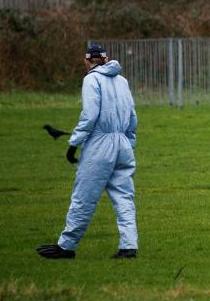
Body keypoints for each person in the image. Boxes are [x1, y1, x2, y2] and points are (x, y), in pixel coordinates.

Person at [36, 44, 138, 259]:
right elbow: (132, 116)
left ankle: (66, 246)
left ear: (86, 61)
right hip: (123, 144)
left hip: (100, 145)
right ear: (106, 58)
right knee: (124, 197)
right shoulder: (122, 81)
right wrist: (129, 143)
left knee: (83, 197)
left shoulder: (91, 79)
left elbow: (90, 116)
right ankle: (129, 246)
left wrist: (74, 144)